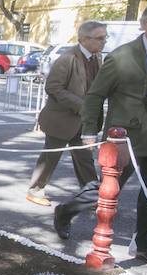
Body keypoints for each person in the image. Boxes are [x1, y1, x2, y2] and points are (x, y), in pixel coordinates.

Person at [54, 0, 147, 268]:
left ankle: (143, 245)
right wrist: (89, 132)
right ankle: (65, 210)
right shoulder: (121, 57)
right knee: (107, 191)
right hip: (125, 139)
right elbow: (95, 96)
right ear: (145, 25)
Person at [26, 21, 106, 206]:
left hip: (83, 122)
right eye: (100, 38)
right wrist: (81, 104)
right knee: (50, 157)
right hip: (61, 121)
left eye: (104, 38)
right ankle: (35, 190)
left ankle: (92, 195)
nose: (104, 42)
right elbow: (53, 87)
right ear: (84, 39)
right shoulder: (68, 58)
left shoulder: (96, 58)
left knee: (85, 158)